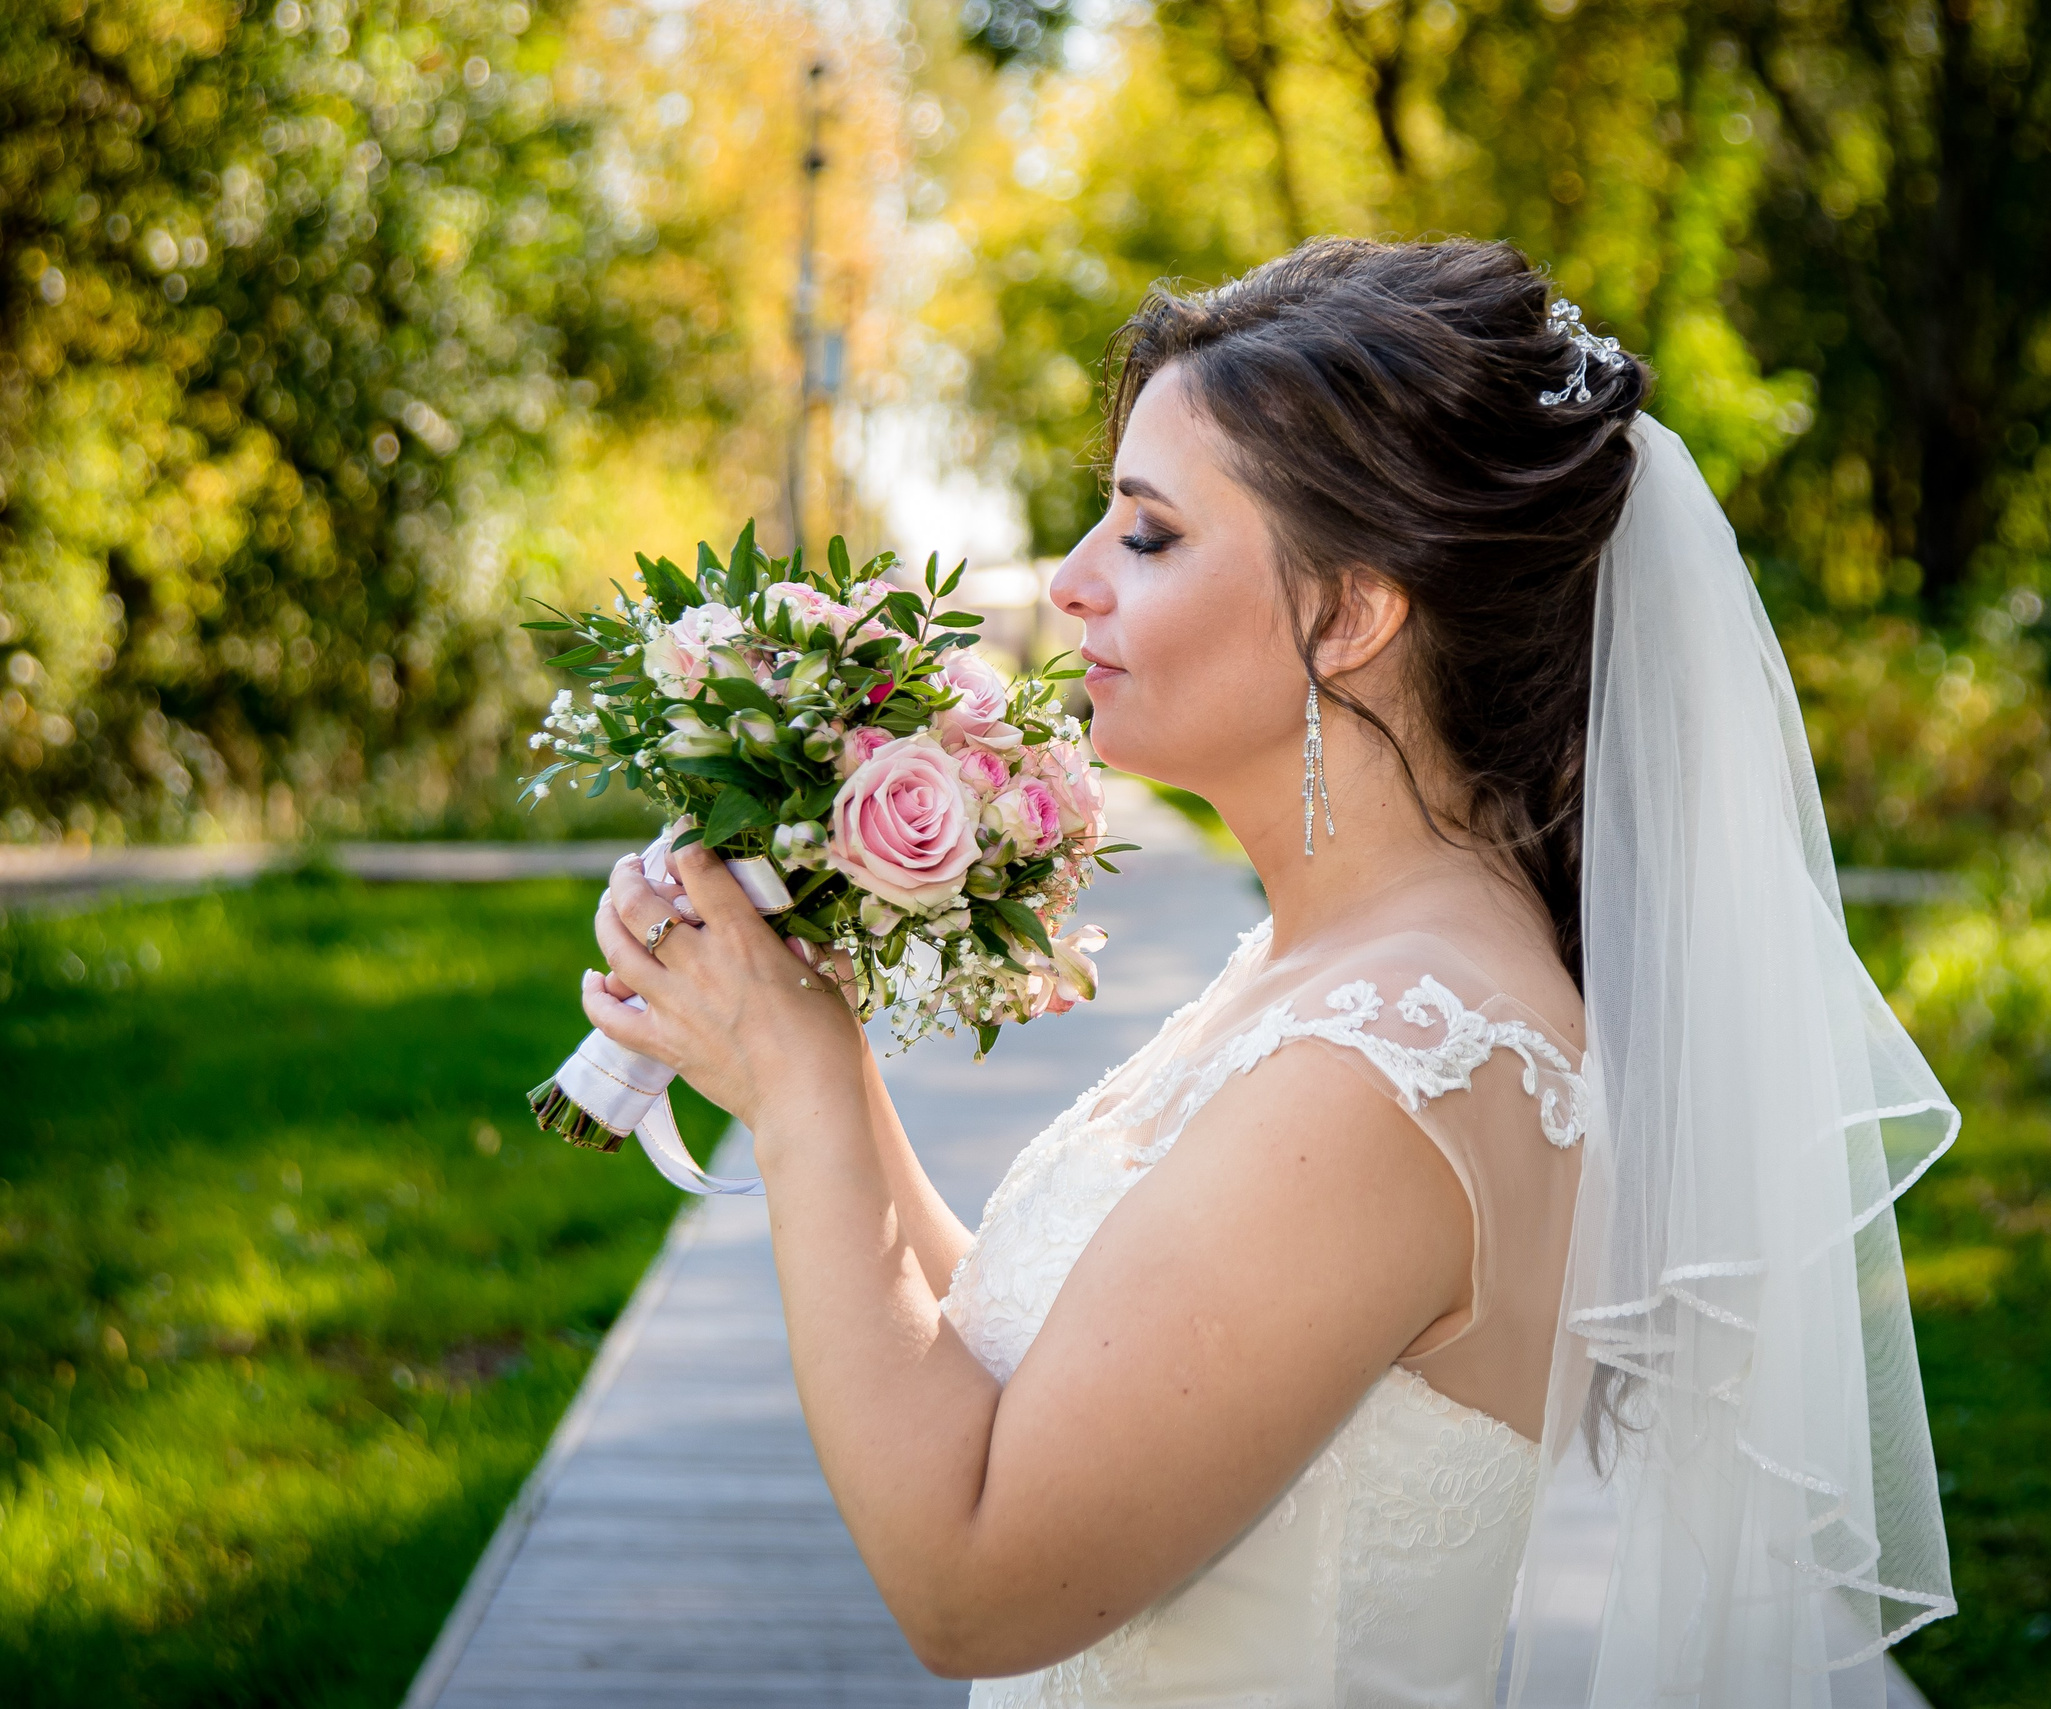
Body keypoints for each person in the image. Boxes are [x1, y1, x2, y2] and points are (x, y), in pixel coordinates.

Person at [582, 236, 1958, 1708]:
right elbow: (1071, 1384)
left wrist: (795, 1107)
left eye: (1149, 534)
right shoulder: (1353, 966)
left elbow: (976, 1582)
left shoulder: (1392, 1065)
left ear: (1351, 612)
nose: (1070, 582)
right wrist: (823, 1039)